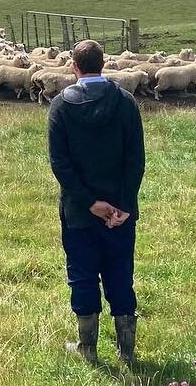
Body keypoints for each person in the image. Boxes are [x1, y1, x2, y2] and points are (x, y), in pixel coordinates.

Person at [46, 39, 146, 365]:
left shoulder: (60, 107)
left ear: (73, 67)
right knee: (120, 273)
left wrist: (90, 203)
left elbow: (61, 165)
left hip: (79, 213)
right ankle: (126, 351)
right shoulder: (126, 103)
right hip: (120, 213)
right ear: (104, 64)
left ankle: (87, 347)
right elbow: (135, 160)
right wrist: (125, 205)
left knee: (83, 275)